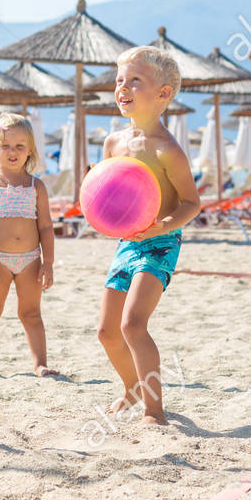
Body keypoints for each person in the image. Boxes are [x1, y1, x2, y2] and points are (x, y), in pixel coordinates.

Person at [96, 46, 203, 425]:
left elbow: (192, 203)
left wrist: (165, 225)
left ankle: (154, 410)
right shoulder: (113, 143)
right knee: (107, 332)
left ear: (163, 94)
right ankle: (130, 388)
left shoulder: (167, 149)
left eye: (134, 80)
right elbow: (106, 195)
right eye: (119, 81)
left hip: (160, 241)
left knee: (132, 325)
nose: (122, 87)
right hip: (127, 242)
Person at [0, 113, 57, 378]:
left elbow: (46, 227)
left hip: (30, 259)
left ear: (30, 149)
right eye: (6, 145)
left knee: (31, 313)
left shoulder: (36, 185)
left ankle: (40, 363)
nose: (12, 151)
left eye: (19, 146)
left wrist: (48, 262)